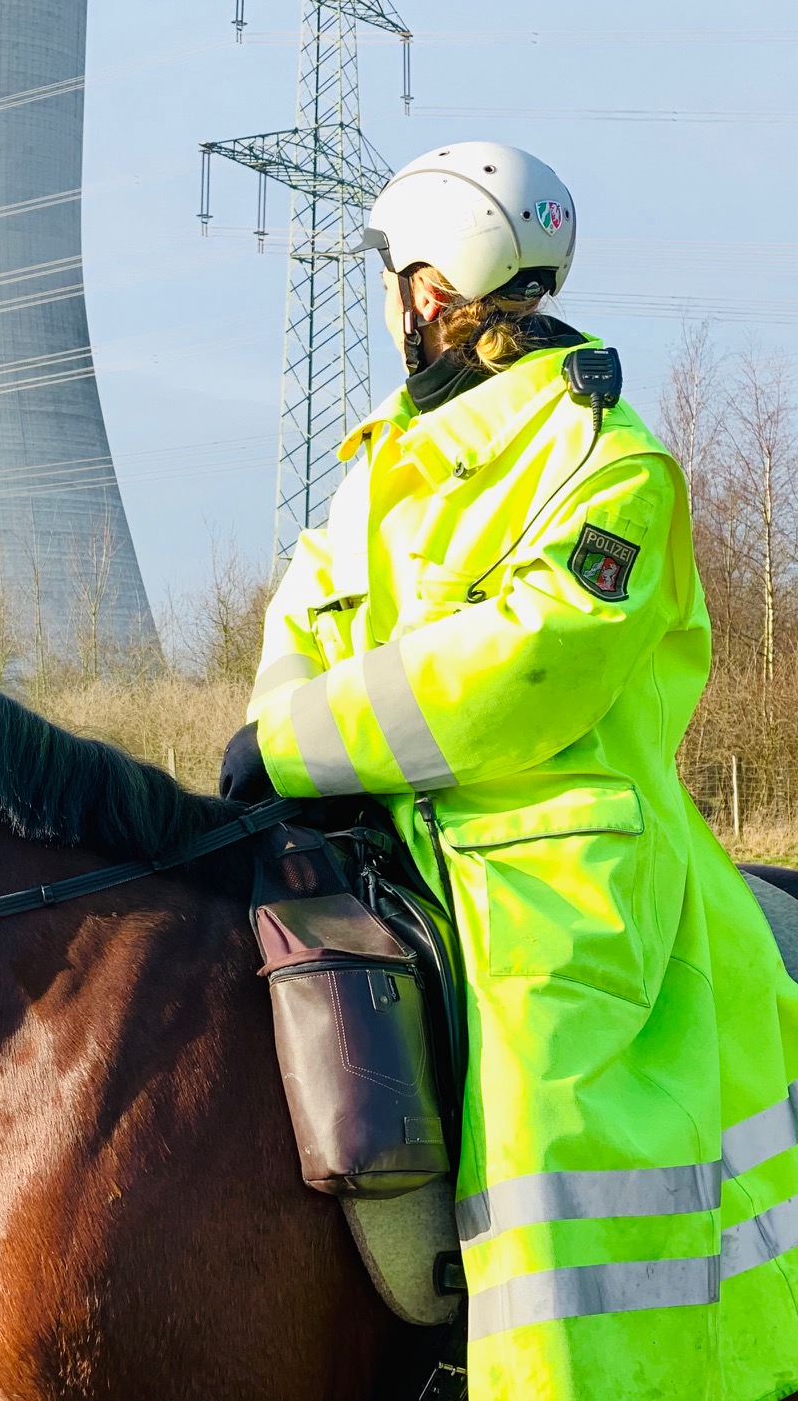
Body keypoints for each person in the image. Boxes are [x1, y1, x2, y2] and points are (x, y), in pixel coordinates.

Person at [221, 142, 798, 1400]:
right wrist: (279, 753)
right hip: (374, 836)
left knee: (556, 1141)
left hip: (561, 877)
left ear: (427, 289)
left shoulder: (611, 458)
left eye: (393, 280)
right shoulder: (379, 460)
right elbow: (304, 627)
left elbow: (533, 664)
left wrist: (296, 745)